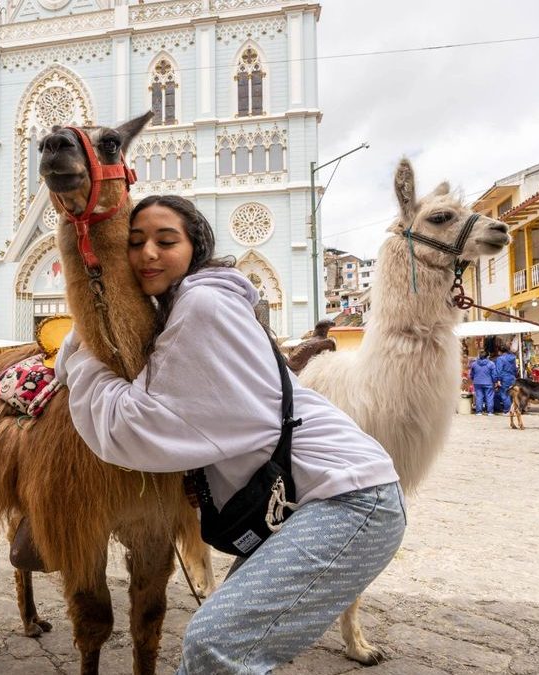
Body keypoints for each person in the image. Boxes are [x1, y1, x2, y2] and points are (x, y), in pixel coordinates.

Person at [54, 195, 405, 673]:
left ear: (195, 247)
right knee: (233, 642)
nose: (148, 254)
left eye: (165, 240)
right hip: (316, 501)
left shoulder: (201, 304)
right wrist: (88, 334)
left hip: (351, 499)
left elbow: (135, 425)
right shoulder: (182, 306)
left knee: (214, 643)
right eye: (134, 243)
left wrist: (84, 363)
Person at [469, 350, 497, 415]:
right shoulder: (491, 364)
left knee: (479, 397)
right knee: (489, 397)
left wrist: (473, 379)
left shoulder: (474, 364)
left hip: (477, 383)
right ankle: (490, 412)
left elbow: (471, 374)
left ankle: (479, 412)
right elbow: (494, 375)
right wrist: (495, 381)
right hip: (488, 382)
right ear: (487, 356)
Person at [494, 345, 517, 416]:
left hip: (504, 378)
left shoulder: (500, 359)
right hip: (512, 377)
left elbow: (498, 370)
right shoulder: (513, 358)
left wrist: (498, 380)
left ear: (500, 351)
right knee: (511, 395)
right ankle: (513, 410)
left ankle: (508, 411)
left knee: (504, 394)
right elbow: (515, 369)